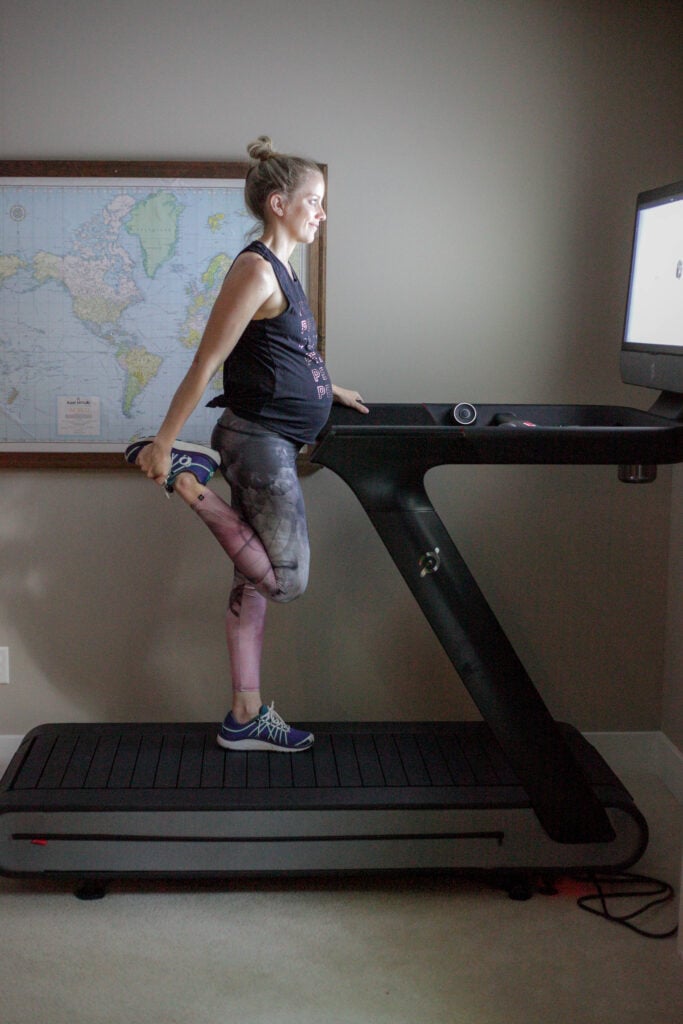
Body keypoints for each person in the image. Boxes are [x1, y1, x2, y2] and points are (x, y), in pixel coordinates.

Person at [126, 136, 368, 753]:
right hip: (257, 441)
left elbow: (285, 351)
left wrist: (323, 386)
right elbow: (209, 360)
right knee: (285, 582)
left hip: (274, 438)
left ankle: (244, 715)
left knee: (252, 584)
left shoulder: (285, 268)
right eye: (313, 201)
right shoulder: (256, 268)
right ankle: (189, 480)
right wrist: (164, 442)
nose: (322, 212)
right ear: (280, 202)